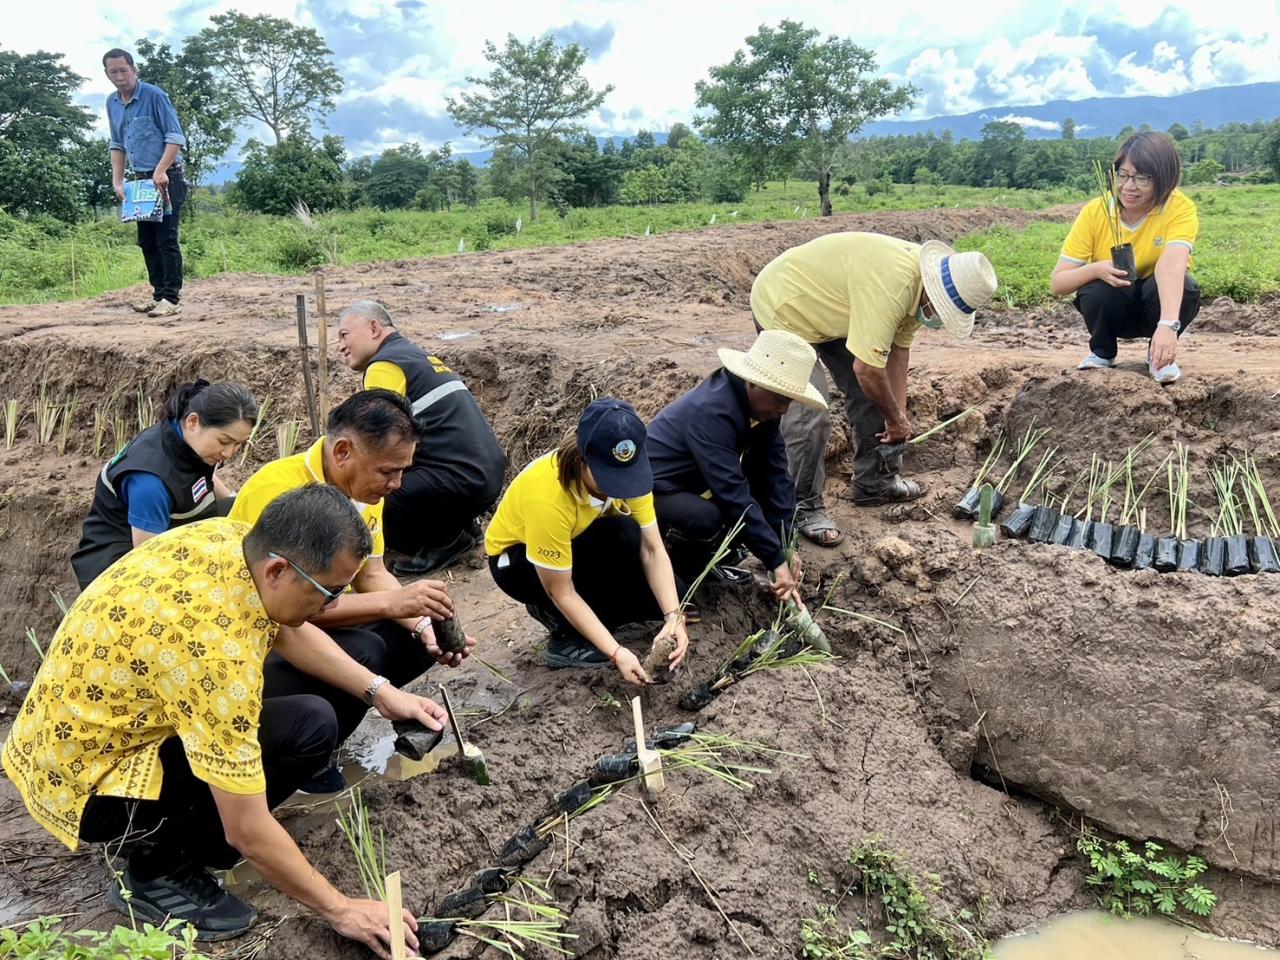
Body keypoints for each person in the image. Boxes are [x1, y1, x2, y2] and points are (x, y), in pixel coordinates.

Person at [2, 486, 442, 954]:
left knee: (323, 700)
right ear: (278, 570)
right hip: (87, 786)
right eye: (329, 592)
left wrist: (383, 693)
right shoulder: (212, 659)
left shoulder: (231, 541)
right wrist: (341, 908)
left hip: (69, 740)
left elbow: (285, 630)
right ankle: (158, 868)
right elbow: (247, 827)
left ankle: (190, 836)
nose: (332, 606)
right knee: (305, 728)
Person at [230, 389, 472, 793]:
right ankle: (302, 753)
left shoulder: (361, 488)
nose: (397, 484)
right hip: (260, 642)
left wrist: (422, 626)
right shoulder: (277, 493)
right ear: (342, 451)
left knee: (411, 638)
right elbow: (291, 608)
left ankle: (330, 737)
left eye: (402, 471)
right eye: (388, 471)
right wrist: (395, 603)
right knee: (366, 650)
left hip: (302, 620)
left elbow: (373, 574)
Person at [751, 232, 997, 545]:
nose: (937, 318)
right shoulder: (894, 285)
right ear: (934, 293)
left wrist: (899, 416)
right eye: (941, 310)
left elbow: (898, 353)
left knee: (878, 399)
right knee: (809, 412)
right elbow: (866, 369)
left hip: (837, 311)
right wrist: (894, 417)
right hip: (786, 304)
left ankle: (875, 483)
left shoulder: (922, 292)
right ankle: (802, 506)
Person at [485, 398, 688, 684]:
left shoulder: (631, 468)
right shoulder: (548, 497)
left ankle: (594, 613)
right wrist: (616, 652)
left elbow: (653, 549)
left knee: (662, 596)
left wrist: (673, 616)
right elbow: (563, 591)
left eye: (626, 476)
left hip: (584, 538)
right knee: (576, 598)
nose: (621, 486)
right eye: (610, 477)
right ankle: (562, 633)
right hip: (518, 563)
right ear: (583, 459)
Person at [647, 330, 823, 603]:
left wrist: (785, 545)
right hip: (652, 493)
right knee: (709, 518)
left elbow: (776, 476)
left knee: (754, 509)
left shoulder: (762, 410)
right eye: (780, 399)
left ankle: (705, 566)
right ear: (753, 382)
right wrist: (774, 560)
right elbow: (731, 492)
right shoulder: (712, 411)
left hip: (695, 483)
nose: (784, 410)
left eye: (789, 401)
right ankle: (677, 579)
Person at [336, 301, 507, 575]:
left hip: (457, 481)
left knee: (370, 494)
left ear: (374, 327)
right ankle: (462, 528)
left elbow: (375, 438)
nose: (341, 346)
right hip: (483, 477)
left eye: (344, 334)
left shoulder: (384, 365)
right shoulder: (417, 357)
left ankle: (446, 541)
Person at [71, 380, 256, 590]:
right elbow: (150, 560)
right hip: (118, 565)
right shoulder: (150, 483)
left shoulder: (185, 440)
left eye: (238, 444)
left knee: (242, 514)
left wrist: (235, 500)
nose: (228, 453)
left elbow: (206, 480)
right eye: (224, 441)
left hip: (168, 529)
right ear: (193, 422)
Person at [1052, 131, 1200, 384]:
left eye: (1142, 178)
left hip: (1156, 306)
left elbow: (1171, 265)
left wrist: (1167, 325)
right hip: (1116, 307)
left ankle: (1159, 355)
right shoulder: (1095, 211)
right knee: (1096, 290)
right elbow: (1059, 283)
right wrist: (1096, 269)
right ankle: (1102, 352)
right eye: (1123, 175)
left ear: (1164, 180)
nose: (1129, 186)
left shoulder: (1179, 208)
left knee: (1185, 286)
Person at [103, 48, 187, 319]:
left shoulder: (154, 96)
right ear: (106, 73)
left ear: (134, 70)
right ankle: (158, 295)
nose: (119, 76)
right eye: (113, 71)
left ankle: (172, 298)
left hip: (166, 178)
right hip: (140, 184)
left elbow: (175, 137)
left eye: (123, 70)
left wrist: (161, 170)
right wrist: (118, 181)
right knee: (147, 241)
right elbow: (117, 144)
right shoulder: (112, 103)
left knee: (166, 239)